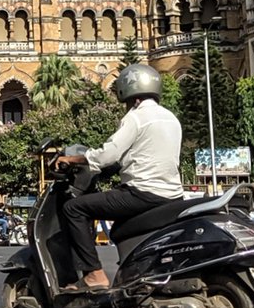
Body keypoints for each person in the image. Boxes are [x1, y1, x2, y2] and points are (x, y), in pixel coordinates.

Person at [56, 63, 184, 294]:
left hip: (143, 193)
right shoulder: (170, 117)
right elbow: (140, 155)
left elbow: (108, 153)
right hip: (172, 195)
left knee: (74, 208)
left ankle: (94, 274)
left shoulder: (136, 117)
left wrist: (74, 159)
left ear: (128, 93)